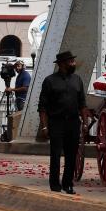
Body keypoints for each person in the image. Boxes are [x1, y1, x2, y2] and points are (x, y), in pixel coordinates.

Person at [38, 50, 87, 194]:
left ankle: (68, 184)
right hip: (56, 122)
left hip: (73, 122)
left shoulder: (77, 80)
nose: (73, 63)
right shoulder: (49, 81)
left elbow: (82, 104)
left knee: (72, 155)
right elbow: (42, 107)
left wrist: (85, 122)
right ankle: (55, 184)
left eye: (73, 61)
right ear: (61, 64)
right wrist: (44, 126)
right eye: (70, 61)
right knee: (56, 154)